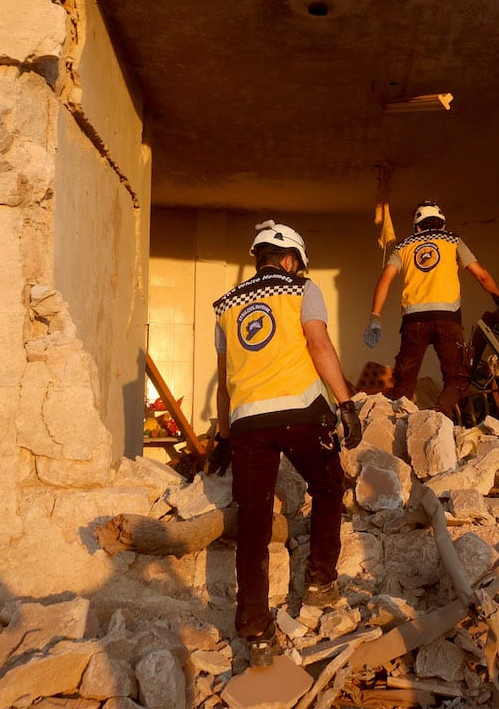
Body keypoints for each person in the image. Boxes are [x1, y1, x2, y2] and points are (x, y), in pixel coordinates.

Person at [213, 220, 362, 668]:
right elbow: (318, 344)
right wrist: (346, 403)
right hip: (301, 414)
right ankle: (320, 581)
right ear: (292, 260)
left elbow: (224, 384)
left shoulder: (225, 305)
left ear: (258, 258)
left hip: (247, 423)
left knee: (254, 524)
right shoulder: (302, 290)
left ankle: (256, 630)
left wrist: (222, 436)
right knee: (329, 487)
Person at [364, 200, 499, 418]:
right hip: (448, 319)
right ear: (442, 225)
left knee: (404, 384)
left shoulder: (403, 246)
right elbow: (482, 275)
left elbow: (385, 279)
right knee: (457, 379)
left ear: (417, 227)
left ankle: (390, 426)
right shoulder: (452, 240)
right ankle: (438, 416)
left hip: (414, 322)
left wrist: (375, 317)